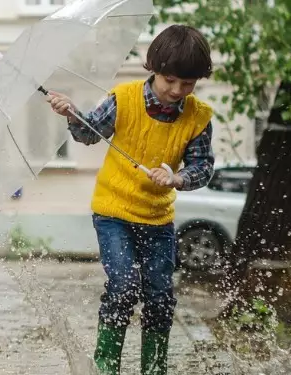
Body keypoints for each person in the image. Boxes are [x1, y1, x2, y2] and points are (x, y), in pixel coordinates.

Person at [45, 24, 215, 375]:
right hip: (114, 212)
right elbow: (88, 133)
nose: (177, 90)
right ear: (153, 69)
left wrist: (177, 177)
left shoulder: (197, 117)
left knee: (159, 295)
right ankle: (106, 367)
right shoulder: (123, 99)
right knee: (122, 286)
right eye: (170, 80)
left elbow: (203, 166)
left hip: (158, 218)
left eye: (188, 84)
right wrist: (70, 112)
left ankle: (154, 369)